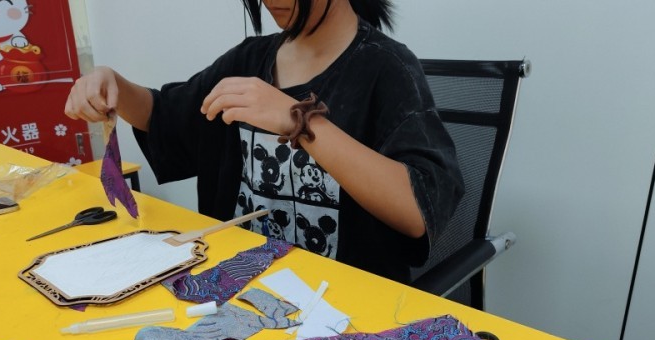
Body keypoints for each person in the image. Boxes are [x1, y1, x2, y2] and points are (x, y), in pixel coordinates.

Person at [65, 0, 463, 284]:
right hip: (238, 290)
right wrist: (114, 85)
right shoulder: (249, 60)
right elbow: (166, 116)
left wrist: (298, 119)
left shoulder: (387, 70)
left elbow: (419, 209)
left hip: (344, 307)